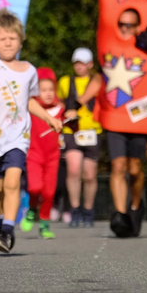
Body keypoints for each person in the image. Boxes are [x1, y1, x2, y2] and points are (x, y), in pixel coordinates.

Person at [0, 8, 64, 253]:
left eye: (12, 38)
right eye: (2, 38)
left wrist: (49, 118)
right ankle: (1, 218)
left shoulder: (29, 70)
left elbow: (29, 101)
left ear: (21, 39)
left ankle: (7, 230)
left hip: (18, 138)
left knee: (12, 183)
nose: (8, 43)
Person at [76, 7, 147, 237]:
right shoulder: (109, 48)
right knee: (118, 166)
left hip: (138, 119)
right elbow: (100, 77)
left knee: (135, 169)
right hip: (115, 117)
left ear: (137, 27)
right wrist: (79, 102)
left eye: (129, 25)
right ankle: (120, 214)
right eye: (121, 24)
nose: (125, 29)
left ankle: (135, 206)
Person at [58, 47, 100, 227]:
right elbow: (59, 102)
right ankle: (74, 209)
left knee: (89, 175)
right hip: (71, 131)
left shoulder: (97, 82)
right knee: (73, 170)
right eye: (76, 63)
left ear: (90, 64)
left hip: (93, 131)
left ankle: (88, 210)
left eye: (83, 63)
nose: (79, 66)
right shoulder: (65, 82)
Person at [23, 67, 63, 239]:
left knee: (49, 193)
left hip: (53, 157)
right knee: (34, 187)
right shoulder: (31, 108)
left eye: (51, 89)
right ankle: (32, 208)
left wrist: (72, 120)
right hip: (34, 155)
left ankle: (44, 225)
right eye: (43, 89)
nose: (48, 93)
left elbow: (70, 127)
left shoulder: (60, 108)